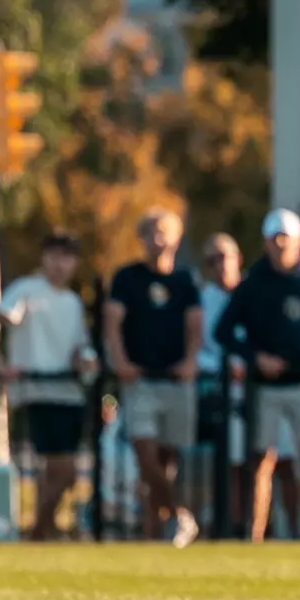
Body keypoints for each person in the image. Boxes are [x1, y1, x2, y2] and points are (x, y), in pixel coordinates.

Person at [215, 208, 300, 542]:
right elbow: (224, 331)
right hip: (267, 387)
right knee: (262, 460)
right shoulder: (254, 283)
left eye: (286, 239)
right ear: (266, 242)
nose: (280, 246)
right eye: (274, 240)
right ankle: (254, 537)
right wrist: (255, 357)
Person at [0, 232, 97, 540]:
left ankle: (45, 528)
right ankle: (38, 532)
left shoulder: (71, 302)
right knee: (65, 469)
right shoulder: (26, 290)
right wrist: (0, 365)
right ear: (43, 257)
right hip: (38, 391)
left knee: (56, 471)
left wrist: (84, 361)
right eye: (54, 255)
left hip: (68, 391)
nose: (59, 264)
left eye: (66, 257)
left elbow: (78, 347)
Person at [104, 208, 203, 546]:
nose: (158, 239)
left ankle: (155, 534)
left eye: (164, 232)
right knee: (144, 455)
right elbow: (113, 323)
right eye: (151, 232)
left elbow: (195, 326)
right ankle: (181, 514)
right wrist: (121, 362)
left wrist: (190, 361)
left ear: (176, 238)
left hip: (175, 381)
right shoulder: (127, 278)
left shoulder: (185, 281)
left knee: (166, 463)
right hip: (141, 380)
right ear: (142, 238)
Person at [198, 233, 300, 540]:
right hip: (233, 395)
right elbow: (206, 346)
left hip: (269, 388)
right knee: (241, 465)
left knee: (283, 461)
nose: (220, 265)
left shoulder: (255, 289)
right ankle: (246, 531)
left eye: (225, 257)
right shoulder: (204, 301)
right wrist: (229, 367)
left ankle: (296, 532)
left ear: (238, 259)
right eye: (212, 260)